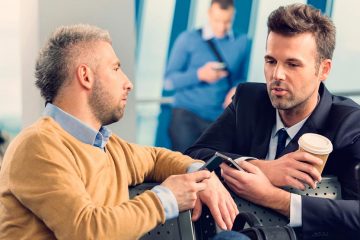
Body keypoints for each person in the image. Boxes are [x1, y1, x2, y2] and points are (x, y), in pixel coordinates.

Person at [0, 24, 239, 239]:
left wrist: (202, 175)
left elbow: (156, 158)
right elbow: (86, 231)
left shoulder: (106, 145)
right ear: (85, 76)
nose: (128, 82)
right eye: (115, 68)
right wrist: (166, 198)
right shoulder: (37, 145)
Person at [186, 3, 360, 239]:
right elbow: (194, 155)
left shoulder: (349, 123)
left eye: (292, 64)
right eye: (271, 61)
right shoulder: (248, 100)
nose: (277, 75)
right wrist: (262, 168)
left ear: (324, 69)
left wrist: (275, 198)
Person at [164, 0, 251, 152]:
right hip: (186, 115)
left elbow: (240, 77)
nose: (221, 27)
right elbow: (169, 82)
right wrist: (199, 75)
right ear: (209, 14)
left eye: (227, 22)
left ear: (233, 16)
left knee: (212, 167)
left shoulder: (242, 42)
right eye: (217, 20)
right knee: (185, 163)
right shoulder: (187, 39)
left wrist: (236, 88)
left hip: (219, 118)